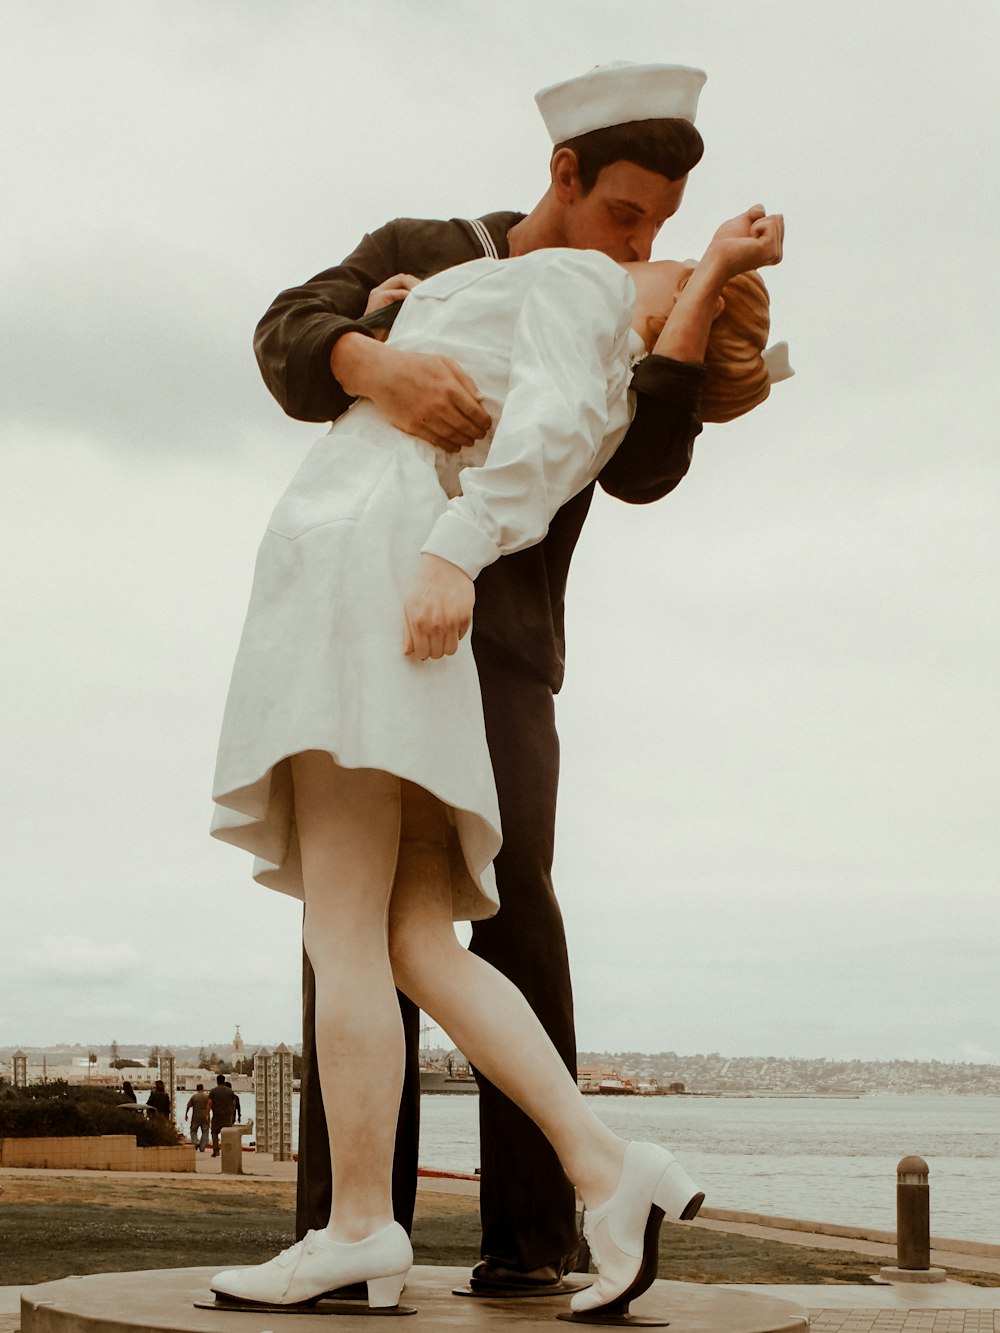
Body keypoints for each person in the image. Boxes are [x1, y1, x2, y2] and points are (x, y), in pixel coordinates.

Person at [209, 196, 785, 1313]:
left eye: (662, 254)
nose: (641, 254)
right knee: (417, 935)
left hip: (368, 566)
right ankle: (602, 1165)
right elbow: (354, 341)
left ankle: (363, 1223)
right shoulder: (588, 328)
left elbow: (548, 425)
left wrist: (450, 548)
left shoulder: (588, 289)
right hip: (412, 580)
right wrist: (400, 313)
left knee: (344, 921)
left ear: (683, 304)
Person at [208, 1073, 238, 1156]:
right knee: (227, 1133)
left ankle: (216, 1150)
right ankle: (228, 1150)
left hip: (217, 1115)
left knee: (214, 1132)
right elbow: (234, 1103)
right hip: (227, 1116)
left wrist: (207, 1114)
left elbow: (209, 1103)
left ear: (217, 1081)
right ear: (224, 1081)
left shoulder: (213, 1091)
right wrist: (232, 1113)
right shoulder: (230, 1091)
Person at [185, 1083, 211, 1151]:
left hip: (196, 1117)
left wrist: (186, 1114)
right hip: (205, 1116)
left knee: (193, 1130)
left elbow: (188, 1106)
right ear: (203, 1088)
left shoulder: (194, 1097)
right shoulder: (207, 1096)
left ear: (197, 1089)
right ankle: (202, 1147)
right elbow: (211, 1106)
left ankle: (196, 1142)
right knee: (205, 1131)